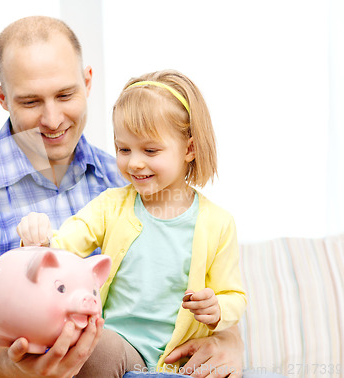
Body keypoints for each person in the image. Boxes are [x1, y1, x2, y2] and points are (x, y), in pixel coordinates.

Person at [0, 15, 248, 378]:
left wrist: (230, 339)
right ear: (2, 97)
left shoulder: (130, 179)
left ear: (88, 82)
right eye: (30, 101)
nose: (52, 118)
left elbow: (202, 289)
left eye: (65, 94)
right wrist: (22, 367)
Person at [17, 69, 247, 376]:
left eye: (150, 150)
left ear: (189, 149)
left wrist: (218, 308)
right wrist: (39, 241)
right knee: (95, 349)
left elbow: (234, 295)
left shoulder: (219, 223)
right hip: (121, 348)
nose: (134, 162)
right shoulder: (111, 205)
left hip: (181, 362)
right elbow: (61, 246)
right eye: (123, 149)